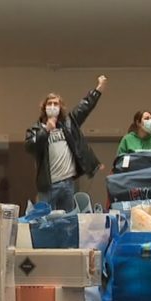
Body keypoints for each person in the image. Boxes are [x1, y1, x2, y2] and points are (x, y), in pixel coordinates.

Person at [25, 75, 107, 211]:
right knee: (45, 221)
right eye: (49, 104)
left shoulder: (69, 124)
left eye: (55, 104)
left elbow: (84, 107)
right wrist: (46, 130)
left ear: (61, 107)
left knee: (68, 221)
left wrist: (98, 89)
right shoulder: (35, 129)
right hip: (48, 186)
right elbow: (30, 146)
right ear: (44, 108)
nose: (52, 106)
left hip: (68, 184)